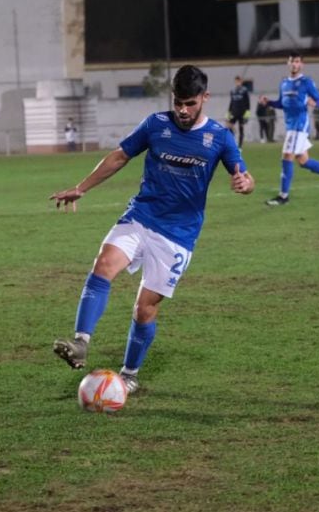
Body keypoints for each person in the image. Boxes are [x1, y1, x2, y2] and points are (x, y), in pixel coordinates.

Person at [49, 64, 255, 394]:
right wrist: (81, 187)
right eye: (178, 102)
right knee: (103, 265)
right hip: (142, 216)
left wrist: (245, 183)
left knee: (145, 309)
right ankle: (81, 342)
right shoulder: (155, 125)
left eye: (190, 103)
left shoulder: (219, 138)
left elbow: (245, 176)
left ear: (205, 98)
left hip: (178, 236)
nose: (183, 110)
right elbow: (119, 156)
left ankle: (129, 374)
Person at [258, 51, 319, 206]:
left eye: (297, 61)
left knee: (286, 156)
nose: (294, 64)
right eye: (292, 61)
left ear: (302, 64)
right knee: (304, 161)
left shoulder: (306, 82)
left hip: (299, 125)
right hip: (290, 126)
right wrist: (268, 102)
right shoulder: (284, 83)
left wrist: (314, 103)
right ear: (288, 63)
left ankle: (283, 196)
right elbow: (282, 104)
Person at [225, 75, 251, 148]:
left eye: (239, 81)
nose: (237, 82)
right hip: (234, 112)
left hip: (242, 113)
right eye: (236, 81)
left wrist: (247, 114)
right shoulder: (233, 91)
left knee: (241, 129)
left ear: (241, 81)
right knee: (228, 126)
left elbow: (247, 103)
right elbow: (231, 102)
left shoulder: (244, 90)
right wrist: (228, 112)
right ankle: (232, 142)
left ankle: (240, 146)